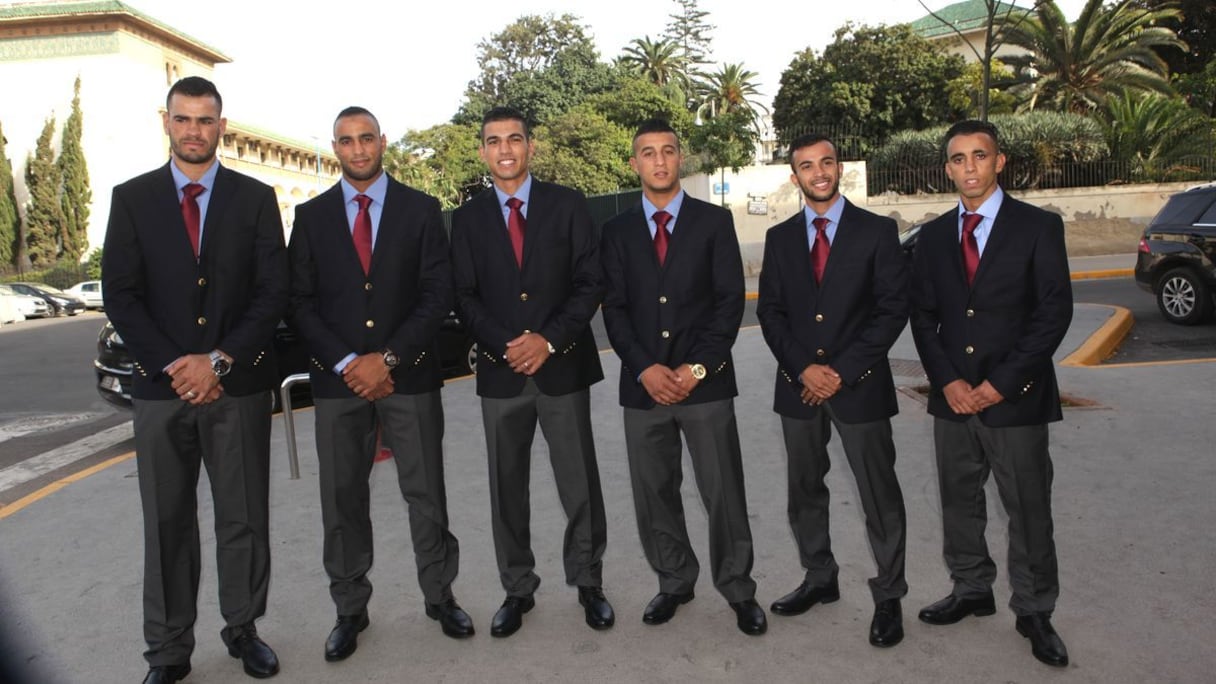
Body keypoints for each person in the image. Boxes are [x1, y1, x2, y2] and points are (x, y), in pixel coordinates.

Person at [102, 76, 286, 684]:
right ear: (167, 122)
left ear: (221, 127)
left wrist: (220, 361)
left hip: (237, 386)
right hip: (161, 392)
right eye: (184, 120)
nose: (194, 132)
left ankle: (243, 629)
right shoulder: (131, 199)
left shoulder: (255, 199)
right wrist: (178, 367)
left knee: (242, 517)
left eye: (206, 121)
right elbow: (121, 297)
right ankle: (169, 651)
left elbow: (271, 294)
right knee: (166, 523)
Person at [287, 106, 472, 661]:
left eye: (367, 138)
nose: (359, 149)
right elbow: (300, 302)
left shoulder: (420, 210)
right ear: (335, 148)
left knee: (426, 493)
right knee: (341, 500)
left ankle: (440, 596)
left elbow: (437, 293)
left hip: (408, 377)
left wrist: (386, 358)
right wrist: (349, 361)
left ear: (382, 141)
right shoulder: (312, 216)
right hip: (338, 384)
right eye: (347, 141)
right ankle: (349, 609)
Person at [910, 119, 1073, 667]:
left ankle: (1034, 610)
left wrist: (1001, 384)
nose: (969, 167)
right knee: (959, 501)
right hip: (952, 400)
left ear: (999, 161)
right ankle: (971, 588)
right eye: (958, 159)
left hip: (1016, 399)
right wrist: (949, 381)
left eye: (979, 156)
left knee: (1028, 508)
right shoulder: (932, 237)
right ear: (948, 168)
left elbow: (1054, 313)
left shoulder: (1037, 227)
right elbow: (924, 314)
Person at [449, 106, 613, 637]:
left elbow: (590, 281)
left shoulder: (567, 206)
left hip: (561, 367)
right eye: (493, 141)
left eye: (514, 139)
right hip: (501, 375)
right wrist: (505, 345)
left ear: (530, 147)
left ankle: (589, 581)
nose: (505, 150)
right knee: (506, 487)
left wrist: (548, 339)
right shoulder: (468, 218)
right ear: (482, 151)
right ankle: (517, 589)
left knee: (579, 482)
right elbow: (464, 296)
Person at [600, 119, 766, 636]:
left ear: (680, 157)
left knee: (723, 491)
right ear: (634, 164)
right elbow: (616, 309)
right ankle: (674, 580)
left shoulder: (713, 222)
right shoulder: (617, 231)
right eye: (647, 153)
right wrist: (645, 368)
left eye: (667, 151)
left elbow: (727, 304)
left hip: (706, 386)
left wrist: (694, 370)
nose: (659, 161)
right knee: (655, 491)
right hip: (643, 387)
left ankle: (738, 588)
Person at [756, 133, 910, 647]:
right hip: (798, 388)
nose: (817, 172)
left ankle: (889, 596)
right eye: (806, 165)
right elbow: (770, 312)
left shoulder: (877, 231)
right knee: (804, 490)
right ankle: (819, 578)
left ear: (838, 168)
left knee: (878, 494)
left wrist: (840, 371)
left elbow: (891, 310)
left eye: (825, 163)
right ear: (794, 175)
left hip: (859, 386)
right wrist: (804, 368)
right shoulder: (779, 240)